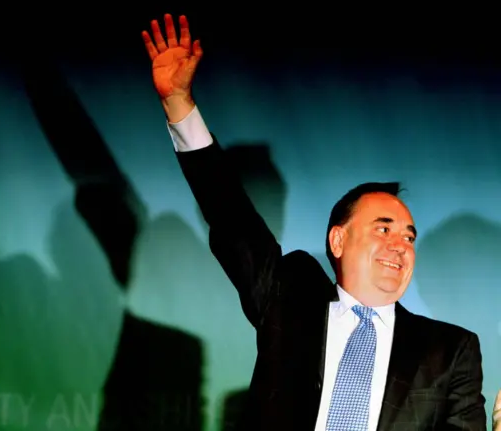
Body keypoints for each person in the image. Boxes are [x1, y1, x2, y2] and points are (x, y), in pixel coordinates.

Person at [141, 14, 487, 431]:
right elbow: (231, 217)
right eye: (384, 228)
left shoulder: (450, 349)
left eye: (409, 237)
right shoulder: (288, 302)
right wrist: (178, 103)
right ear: (338, 240)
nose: (401, 244)